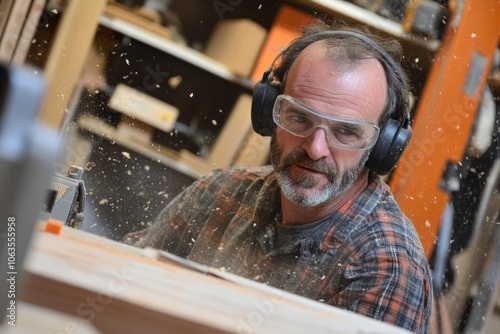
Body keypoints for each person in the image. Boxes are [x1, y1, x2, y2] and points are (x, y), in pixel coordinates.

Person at [123, 21, 433, 333]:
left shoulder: (386, 268)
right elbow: (123, 281)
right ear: (269, 110)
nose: (315, 149)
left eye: (346, 131)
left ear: (382, 146)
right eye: (299, 117)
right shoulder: (218, 194)